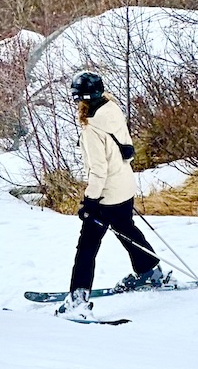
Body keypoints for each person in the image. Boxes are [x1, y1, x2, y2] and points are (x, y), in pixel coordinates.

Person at [58, 70, 168, 316]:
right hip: (125, 187)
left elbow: (98, 171)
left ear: (80, 98)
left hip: (106, 195)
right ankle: (150, 270)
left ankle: (78, 301)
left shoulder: (91, 130)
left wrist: (90, 202)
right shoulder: (112, 109)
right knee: (125, 227)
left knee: (87, 246)